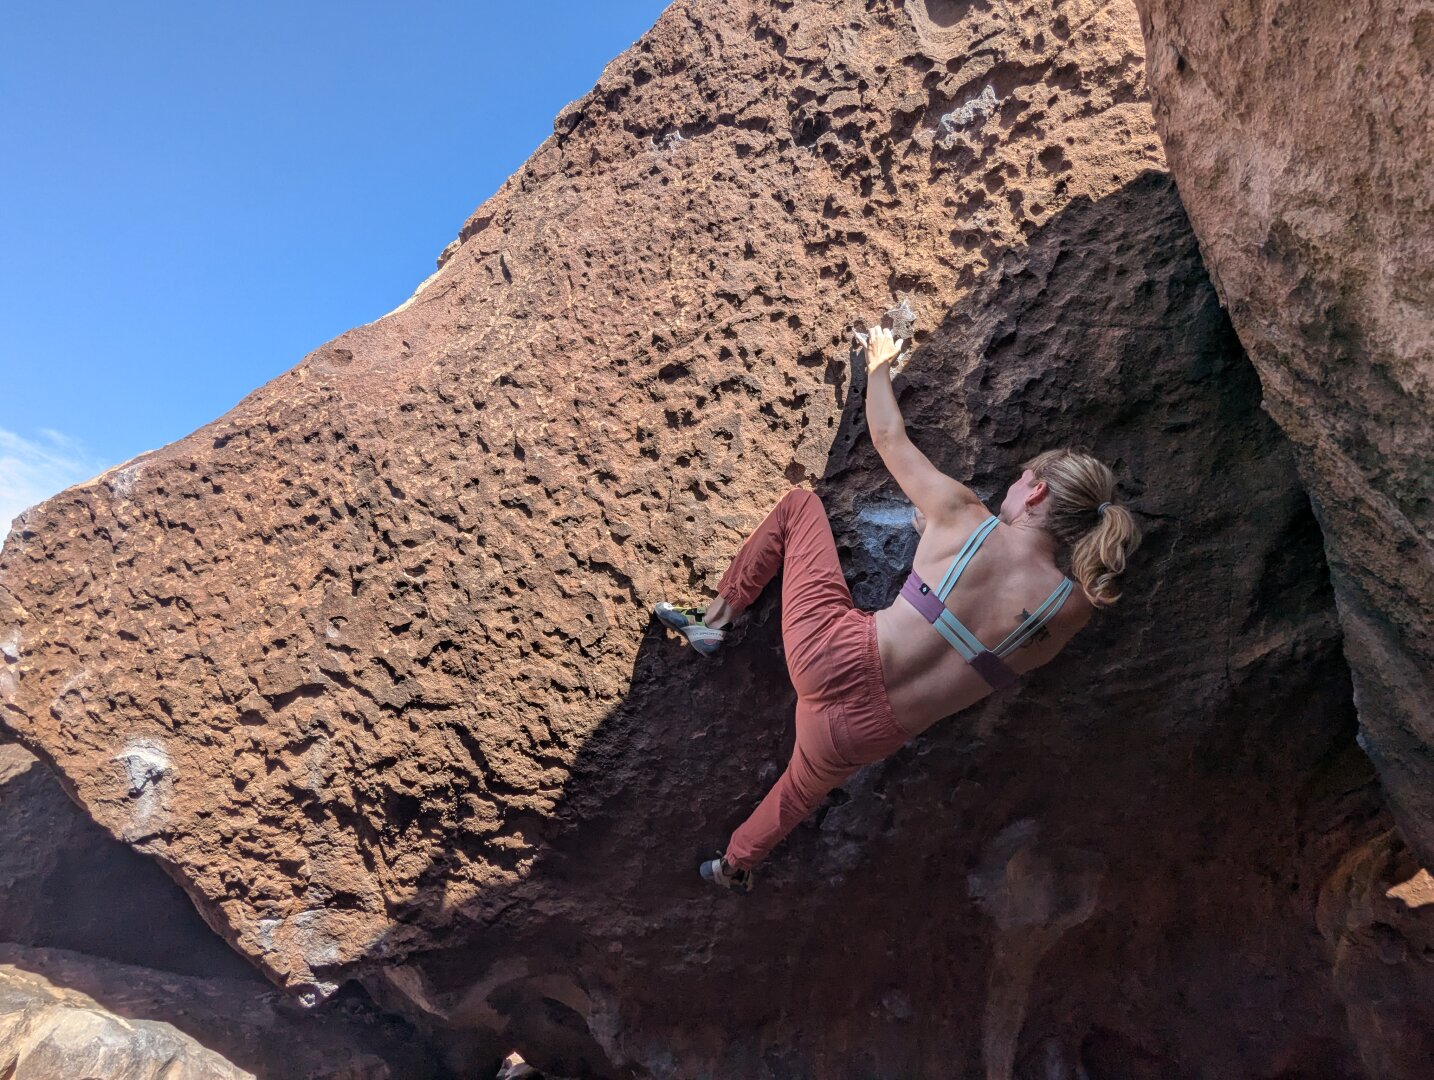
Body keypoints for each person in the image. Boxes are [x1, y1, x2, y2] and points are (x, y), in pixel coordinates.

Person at [655, 326, 1142, 892]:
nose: (1012, 487)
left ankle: (714, 621)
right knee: (796, 793)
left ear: (1035, 494)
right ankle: (733, 865)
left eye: (1021, 481)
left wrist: (881, 363)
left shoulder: (964, 515)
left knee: (798, 507)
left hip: (833, 655)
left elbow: (888, 435)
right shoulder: (1071, 609)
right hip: (868, 731)